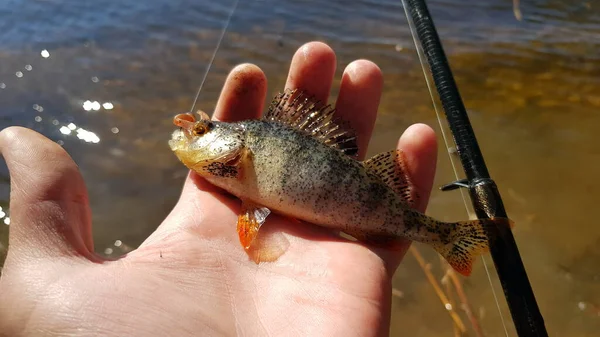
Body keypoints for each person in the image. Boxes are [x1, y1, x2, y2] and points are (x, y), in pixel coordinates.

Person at [0, 41, 437, 336]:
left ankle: (446, 236)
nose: (192, 134)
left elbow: (255, 206)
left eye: (205, 130)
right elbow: (254, 208)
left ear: (233, 144)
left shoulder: (243, 155)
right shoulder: (234, 166)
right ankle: (443, 235)